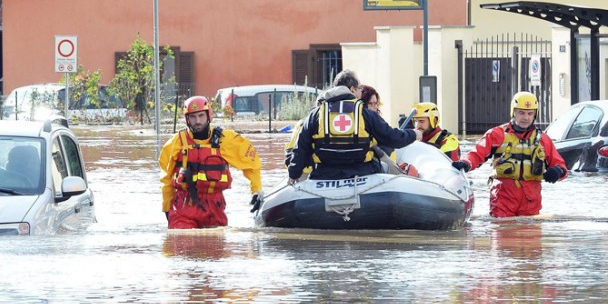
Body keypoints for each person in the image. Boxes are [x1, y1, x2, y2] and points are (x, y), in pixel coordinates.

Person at [287, 69, 421, 182]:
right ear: (352, 90)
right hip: (364, 173)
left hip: (324, 175)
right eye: (360, 89)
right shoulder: (365, 114)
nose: (361, 93)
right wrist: (414, 133)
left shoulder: (316, 114)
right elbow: (392, 137)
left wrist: (293, 175)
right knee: (385, 168)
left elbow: (301, 148)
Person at [451, 91, 567, 217]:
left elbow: (561, 166)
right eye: (521, 113)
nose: (526, 118)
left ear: (535, 114)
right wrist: (466, 163)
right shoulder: (496, 134)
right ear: (513, 112)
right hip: (503, 197)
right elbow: (477, 154)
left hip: (531, 199)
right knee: (502, 231)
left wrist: (557, 172)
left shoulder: (543, 139)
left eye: (530, 113)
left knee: (531, 234)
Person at [159, 95, 263, 229]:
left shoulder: (226, 139)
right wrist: (167, 208)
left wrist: (256, 191)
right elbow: (165, 179)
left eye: (201, 116)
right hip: (183, 207)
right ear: (187, 119)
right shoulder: (175, 143)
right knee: (182, 244)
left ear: (209, 116)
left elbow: (252, 165)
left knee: (215, 246)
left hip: (214, 206)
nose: (198, 121)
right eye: (193, 117)